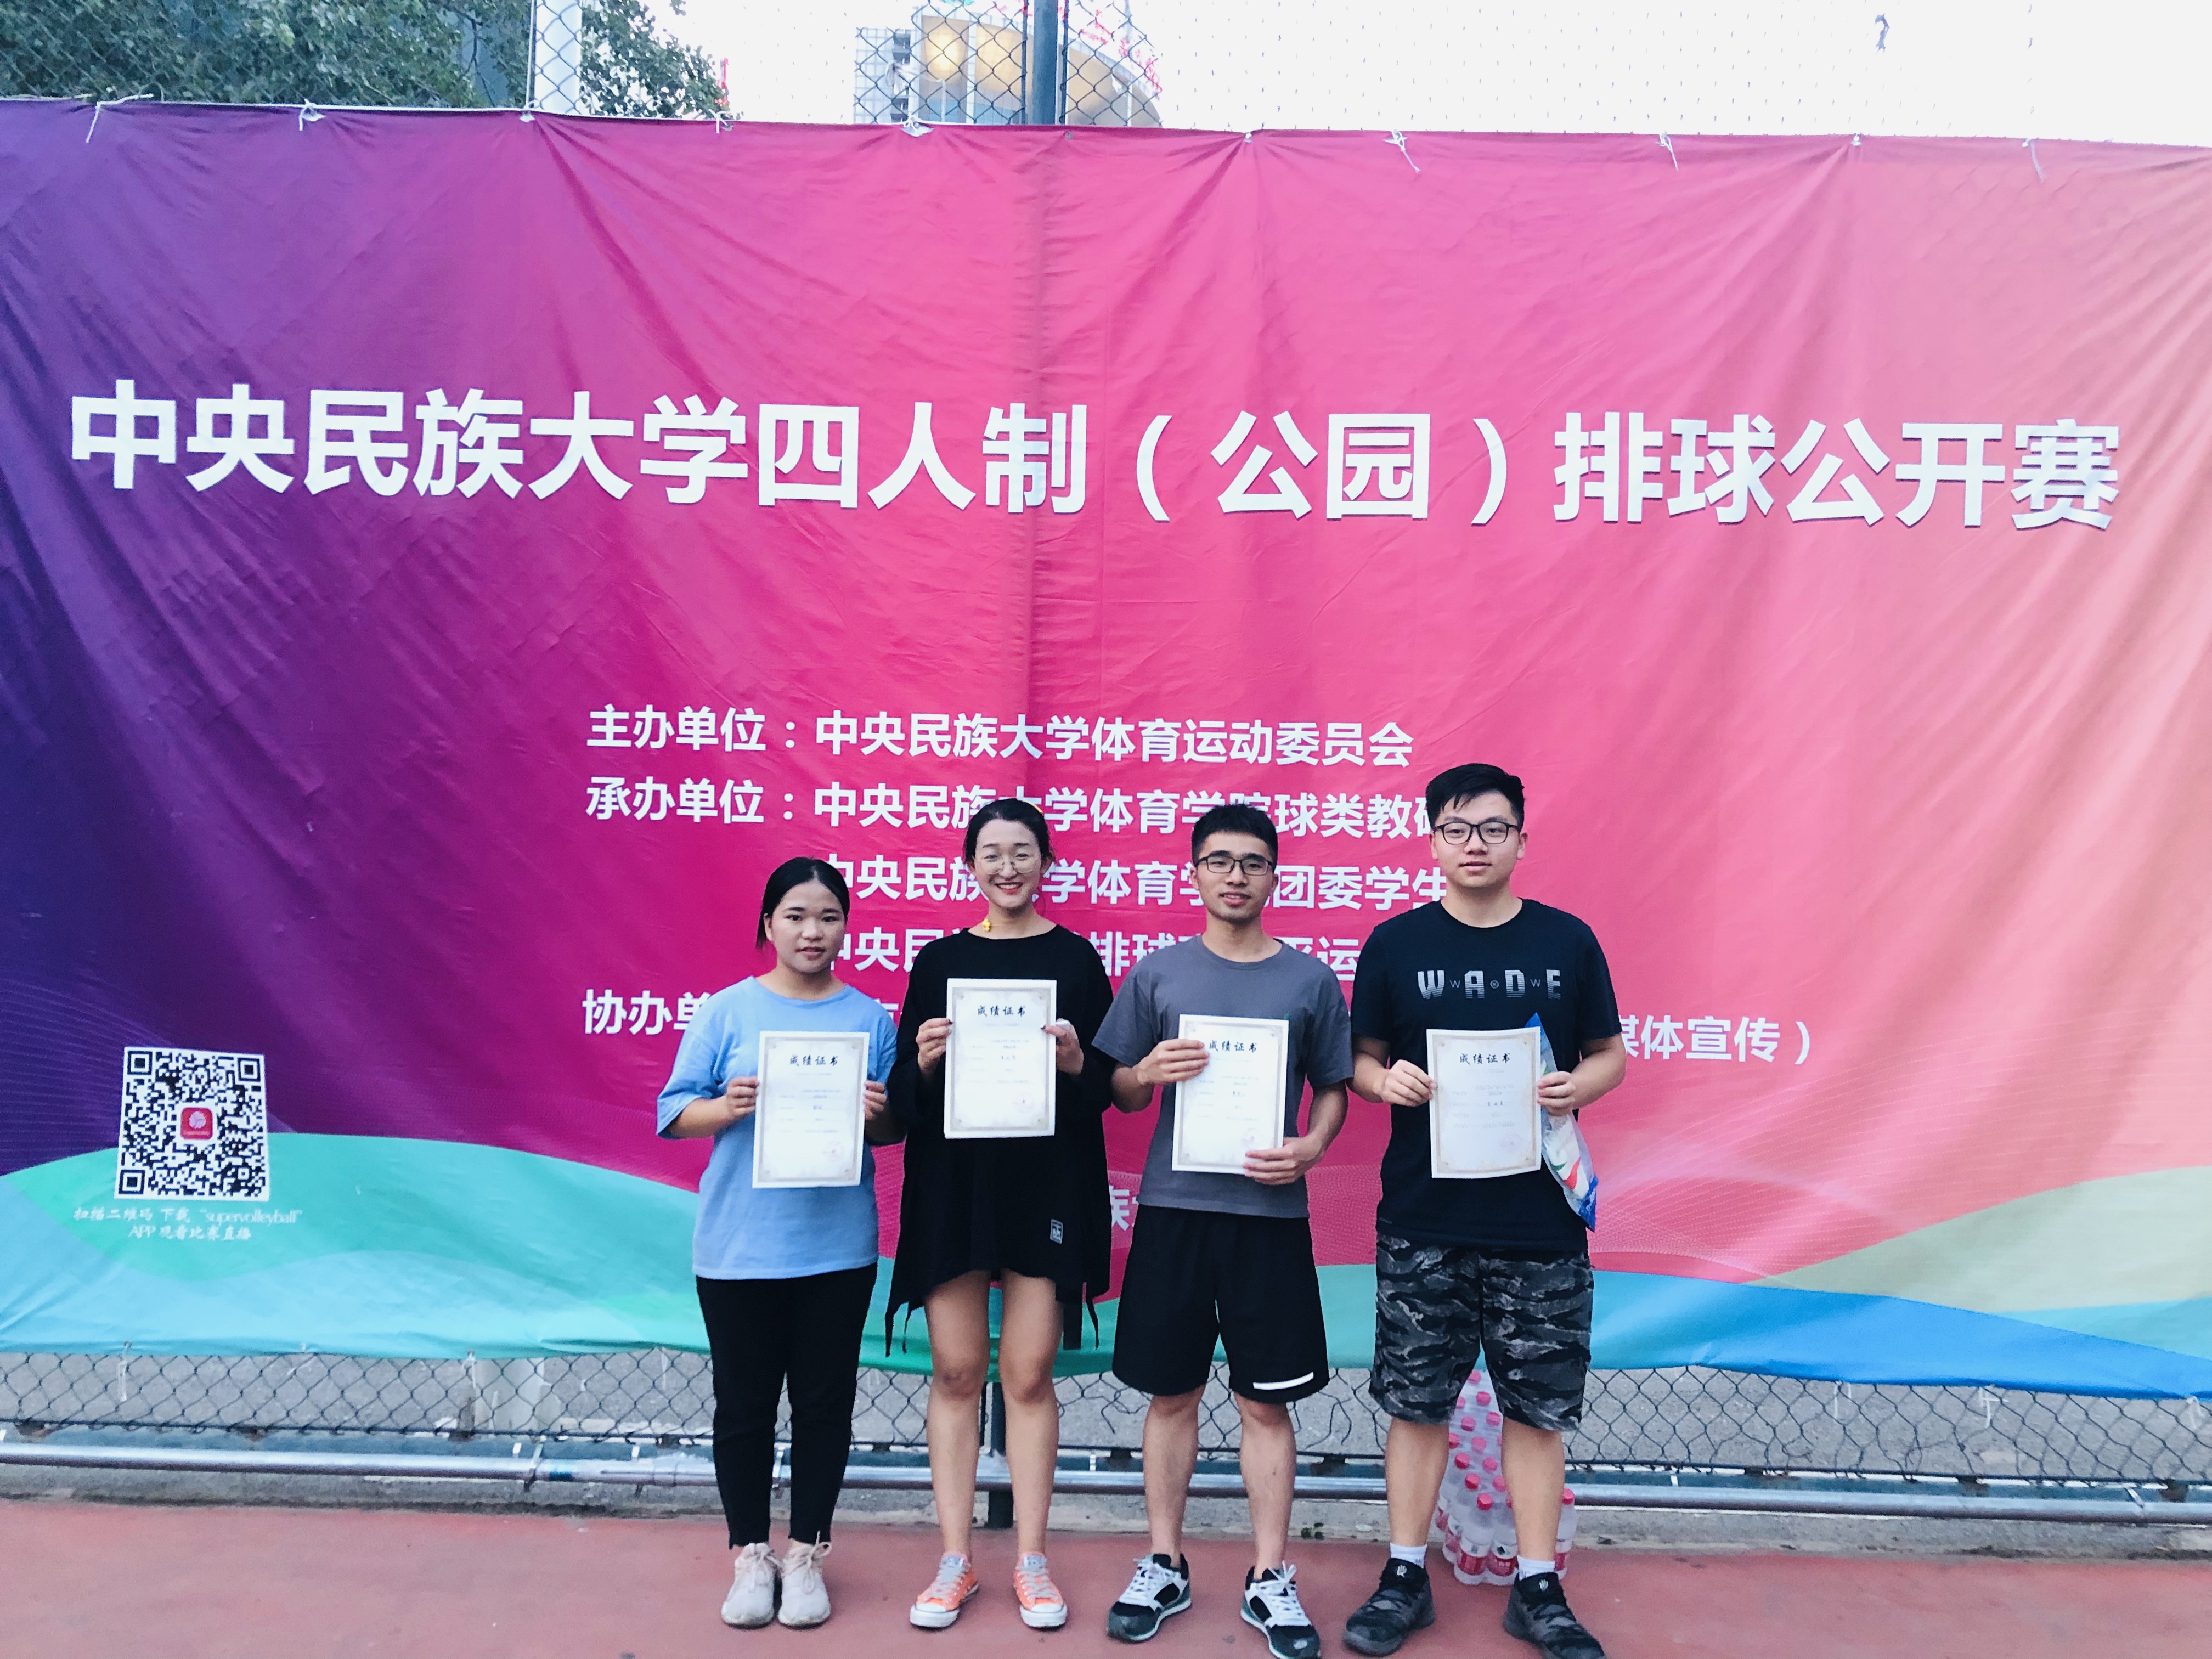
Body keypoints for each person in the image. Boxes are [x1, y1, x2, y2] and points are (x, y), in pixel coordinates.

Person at [1339, 765, 1626, 1659]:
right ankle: (1404, 1575)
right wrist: (1384, 1081)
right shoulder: (1395, 944)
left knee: (1538, 1412)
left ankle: (1538, 1586)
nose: (1476, 845)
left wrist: (1579, 1085)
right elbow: (1359, 1059)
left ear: (1522, 842)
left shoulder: (1567, 942)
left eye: (1494, 829)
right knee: (1416, 1404)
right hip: (1424, 1219)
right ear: (1432, 841)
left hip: (1539, 1222)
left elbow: (1610, 1055)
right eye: (1458, 829)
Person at [1092, 803, 1353, 1659]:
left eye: (1252, 862)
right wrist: (1145, 1071)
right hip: (1175, 1213)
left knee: (1264, 1402)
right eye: (1218, 861)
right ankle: (1164, 1562)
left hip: (1268, 1217)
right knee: (1171, 1395)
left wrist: (1311, 1147)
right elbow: (1121, 1092)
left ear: (1275, 875)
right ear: (1195, 873)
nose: (1235, 876)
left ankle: (1270, 1575)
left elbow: (1333, 1088)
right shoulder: (1159, 975)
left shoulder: (1310, 981)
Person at [889, 799, 1117, 1632]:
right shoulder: (940, 960)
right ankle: (955, 1560)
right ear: (970, 865)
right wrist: (923, 1060)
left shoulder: (1075, 959)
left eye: (1023, 852)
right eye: (991, 853)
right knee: (956, 1371)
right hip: (956, 1182)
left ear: (1046, 862)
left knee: (1025, 1374)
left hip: (1046, 1184)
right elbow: (905, 1098)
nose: (1008, 867)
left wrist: (1077, 1061)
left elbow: (1109, 1087)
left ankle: (1030, 1558)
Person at [655, 857, 900, 1632]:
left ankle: (807, 1556)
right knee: (745, 1407)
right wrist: (726, 1106)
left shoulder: (871, 1021)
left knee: (825, 1406)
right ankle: (750, 1556)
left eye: (828, 917)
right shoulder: (726, 1012)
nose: (812, 931)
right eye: (795, 916)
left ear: (846, 928)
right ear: (768, 924)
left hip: (836, 1250)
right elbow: (673, 1113)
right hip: (739, 1248)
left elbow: (894, 1129)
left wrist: (878, 1113)